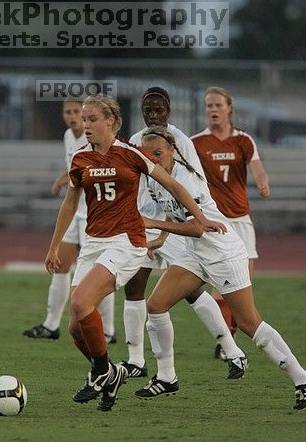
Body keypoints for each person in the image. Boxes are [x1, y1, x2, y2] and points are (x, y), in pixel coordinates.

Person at [44, 95, 226, 412]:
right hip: (93, 243)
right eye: (84, 119)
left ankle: (102, 371)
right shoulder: (79, 158)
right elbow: (71, 202)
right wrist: (54, 245)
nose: (85, 125)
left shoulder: (130, 152)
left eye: (92, 119)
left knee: (79, 302)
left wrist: (200, 218)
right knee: (75, 327)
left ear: (111, 121)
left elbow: (172, 184)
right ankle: (111, 373)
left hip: (126, 241)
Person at [134, 126, 306, 412]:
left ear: (172, 151)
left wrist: (154, 225)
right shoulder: (154, 178)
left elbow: (198, 228)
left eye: (158, 153)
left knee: (249, 323)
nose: (152, 158)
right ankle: (167, 377)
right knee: (156, 305)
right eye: (147, 153)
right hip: (196, 254)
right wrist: (162, 238)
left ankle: (303, 379)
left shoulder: (186, 178)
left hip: (222, 252)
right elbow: (172, 209)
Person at [119, 87, 248, 381]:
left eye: (159, 109)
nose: (153, 114)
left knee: (189, 290)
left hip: (176, 224)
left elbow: (190, 185)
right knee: (134, 285)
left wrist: (180, 226)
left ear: (169, 112)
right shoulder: (136, 141)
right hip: (145, 221)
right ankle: (136, 360)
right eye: (148, 110)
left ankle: (232, 350)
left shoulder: (180, 141)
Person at [23, 100, 116, 343]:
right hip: (75, 212)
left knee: (99, 275)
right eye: (69, 112)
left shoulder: (95, 138)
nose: (74, 117)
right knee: (60, 266)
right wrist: (63, 179)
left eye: (78, 112)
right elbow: (76, 170)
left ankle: (108, 330)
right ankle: (51, 325)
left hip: (95, 215)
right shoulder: (68, 136)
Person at [191, 86, 270, 360]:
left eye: (218, 105)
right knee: (221, 284)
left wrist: (262, 182)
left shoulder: (244, 141)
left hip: (241, 220)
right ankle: (226, 344)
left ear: (229, 108)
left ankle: (230, 339)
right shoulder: (196, 142)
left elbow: (257, 166)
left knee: (243, 283)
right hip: (215, 222)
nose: (213, 110)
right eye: (209, 105)